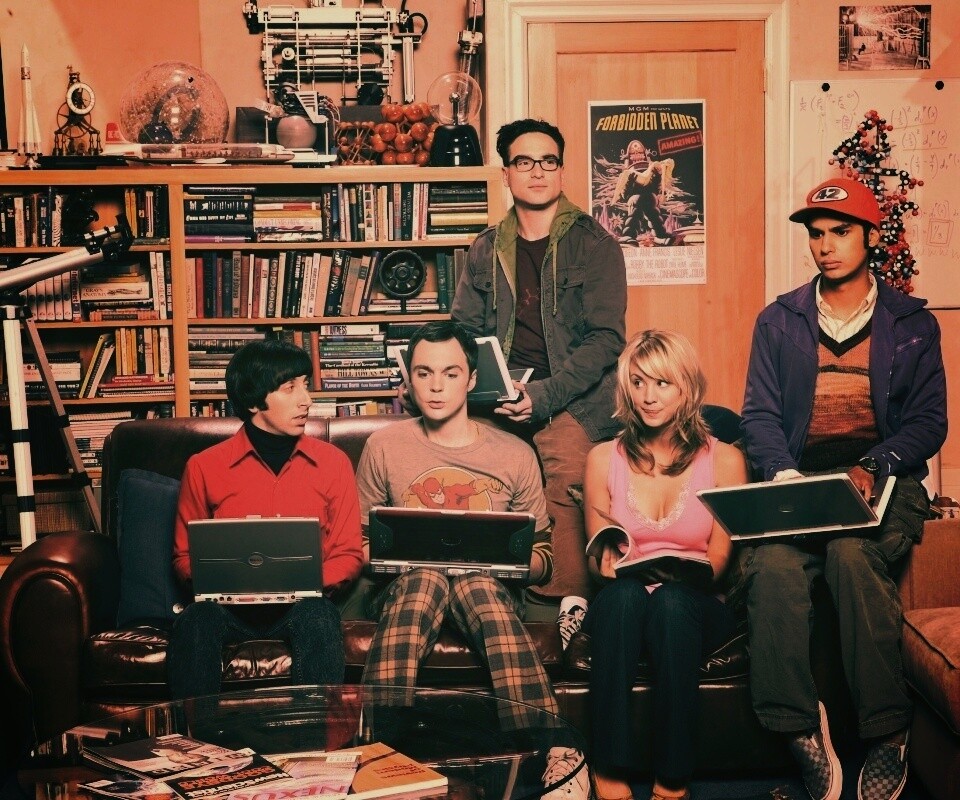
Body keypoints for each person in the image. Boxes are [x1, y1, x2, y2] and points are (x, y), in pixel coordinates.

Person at [738, 177, 948, 800]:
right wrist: (783, 476)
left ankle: (888, 733)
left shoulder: (910, 322)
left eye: (840, 231)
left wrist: (876, 464)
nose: (825, 246)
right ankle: (802, 732)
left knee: (851, 554)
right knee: (771, 568)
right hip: (800, 482)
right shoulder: (779, 320)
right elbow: (758, 417)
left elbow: (928, 422)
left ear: (870, 237)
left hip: (885, 482)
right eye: (816, 234)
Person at [356, 320, 590, 800]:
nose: (436, 386)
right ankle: (378, 750)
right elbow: (359, 544)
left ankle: (555, 752)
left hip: (489, 591)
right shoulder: (384, 446)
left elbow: (544, 557)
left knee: (475, 584)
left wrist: (507, 562)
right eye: (423, 373)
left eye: (450, 373)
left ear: (471, 378)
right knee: (426, 580)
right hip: (405, 590)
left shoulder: (514, 452)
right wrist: (391, 558)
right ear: (409, 379)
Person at [452, 118, 627, 603]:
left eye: (548, 161)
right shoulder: (485, 248)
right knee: (470, 474)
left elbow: (606, 340)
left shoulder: (596, 245)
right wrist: (473, 383)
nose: (537, 171)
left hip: (574, 400)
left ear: (561, 171)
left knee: (568, 479)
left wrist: (544, 395)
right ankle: (482, 597)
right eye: (524, 161)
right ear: (506, 173)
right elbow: (463, 332)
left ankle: (559, 609)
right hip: (497, 396)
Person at [581, 330, 748, 800]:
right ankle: (608, 765)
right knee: (624, 595)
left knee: (673, 602)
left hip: (693, 604)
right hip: (624, 601)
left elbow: (718, 560)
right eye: (638, 383)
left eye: (662, 383)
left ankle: (672, 777)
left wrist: (683, 573)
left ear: (686, 387)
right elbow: (598, 557)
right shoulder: (602, 458)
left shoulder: (726, 459)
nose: (648, 396)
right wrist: (609, 565)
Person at [168, 339, 363, 699]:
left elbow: (348, 552)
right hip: (227, 611)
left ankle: (314, 732)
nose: (306, 399)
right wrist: (233, 583)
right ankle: (194, 731)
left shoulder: (334, 463)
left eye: (305, 384)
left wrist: (301, 582)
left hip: (303, 607)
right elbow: (183, 557)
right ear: (254, 401)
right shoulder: (204, 466)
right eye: (290, 388)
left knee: (319, 615)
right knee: (196, 618)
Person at [613, 140, 674, 246]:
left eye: (639, 151)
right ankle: (629, 235)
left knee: (653, 210)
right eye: (633, 151)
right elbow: (625, 191)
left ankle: (660, 236)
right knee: (636, 205)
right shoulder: (629, 173)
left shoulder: (652, 168)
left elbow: (657, 183)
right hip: (635, 196)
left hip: (649, 195)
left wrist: (659, 192)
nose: (636, 151)